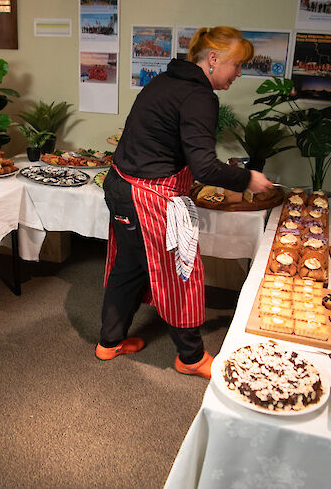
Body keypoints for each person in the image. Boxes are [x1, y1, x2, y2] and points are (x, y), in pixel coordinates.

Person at [96, 26, 273, 379]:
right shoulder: (199, 96)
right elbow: (204, 166)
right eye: (237, 65)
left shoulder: (163, 81)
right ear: (213, 59)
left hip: (119, 185)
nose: (238, 73)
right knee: (182, 271)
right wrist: (248, 179)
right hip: (146, 195)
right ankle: (190, 358)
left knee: (130, 266)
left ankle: (109, 342)